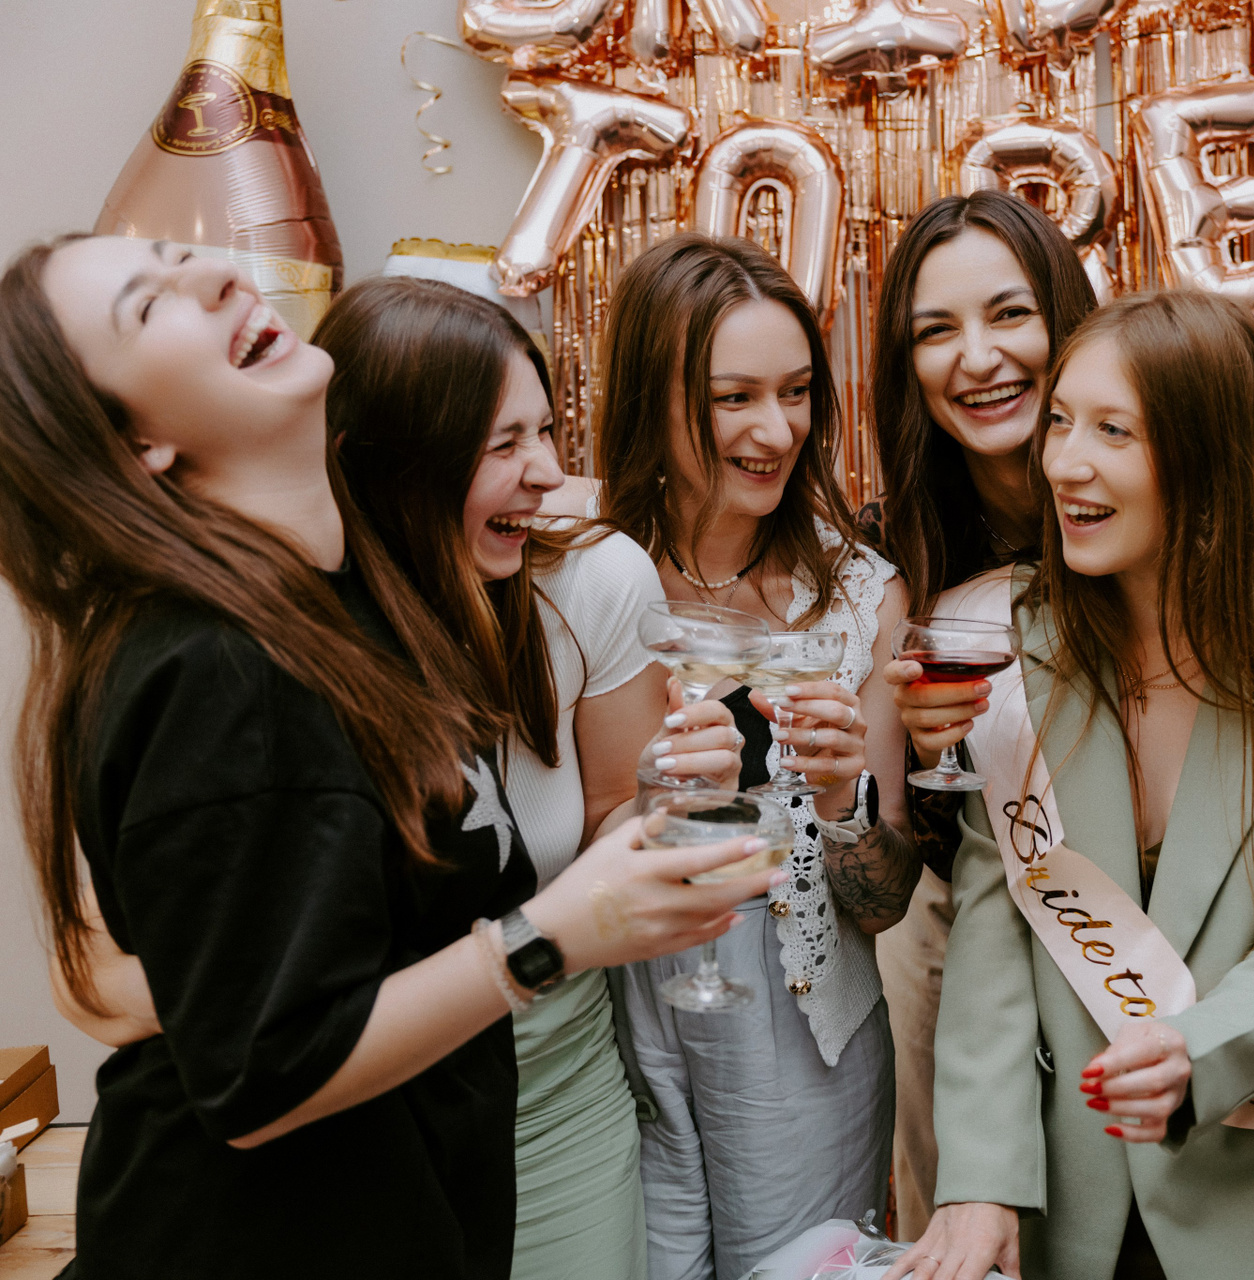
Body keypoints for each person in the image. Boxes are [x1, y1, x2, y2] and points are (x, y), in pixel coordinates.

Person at [3, 236, 780, 1280]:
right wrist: (552, 935)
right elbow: (266, 1071)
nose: (222, 274)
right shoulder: (217, 664)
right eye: (151, 304)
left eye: (183, 255)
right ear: (136, 441)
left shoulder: (339, 614)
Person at [888, 290, 1254, 1280]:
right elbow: (996, 935)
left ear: (1210, 457)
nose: (1063, 463)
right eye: (1060, 421)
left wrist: (1193, 1048)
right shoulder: (1017, 649)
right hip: (1067, 1214)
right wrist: (982, 1180)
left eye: (1113, 431)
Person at [313, 275, 746, 1280]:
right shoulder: (289, 638)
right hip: (359, 1117)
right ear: (394, 463)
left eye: (545, 431)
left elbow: (610, 814)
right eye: (503, 444)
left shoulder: (590, 584)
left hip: (552, 1087)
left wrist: (665, 801)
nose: (550, 473)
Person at [594, 232, 920, 1280]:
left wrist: (839, 797)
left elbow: (883, 900)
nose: (775, 430)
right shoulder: (584, 577)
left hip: (802, 1031)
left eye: (796, 392)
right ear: (652, 400)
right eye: (733, 398)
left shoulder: (860, 596)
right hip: (608, 1019)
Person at [861, 191, 1099, 1235]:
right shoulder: (892, 553)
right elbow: (889, 854)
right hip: (959, 922)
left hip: (1134, 911)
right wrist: (911, 759)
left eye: (1009, 314)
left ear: (1065, 321)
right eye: (936, 331)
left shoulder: (1151, 496)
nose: (978, 358)